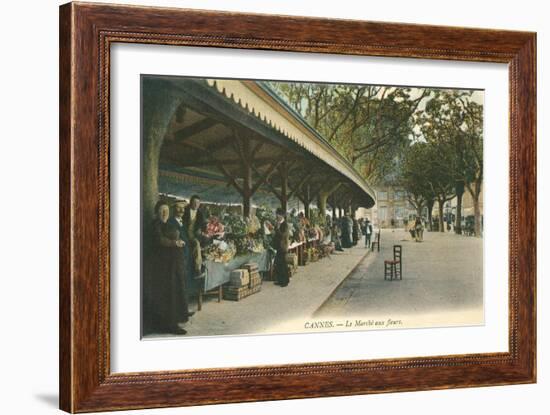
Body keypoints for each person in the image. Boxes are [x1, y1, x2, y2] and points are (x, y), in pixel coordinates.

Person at [149, 200, 193, 335]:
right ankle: (170, 325)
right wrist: (175, 243)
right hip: (162, 266)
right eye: (162, 211)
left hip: (172, 264)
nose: (164, 213)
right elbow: (160, 241)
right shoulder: (155, 225)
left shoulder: (167, 224)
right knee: (168, 294)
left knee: (175, 291)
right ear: (157, 212)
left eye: (166, 211)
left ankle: (178, 317)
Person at [183, 195, 208, 277]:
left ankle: (204, 264)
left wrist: (203, 231)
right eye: (194, 202)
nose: (196, 204)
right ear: (190, 202)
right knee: (196, 243)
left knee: (206, 241)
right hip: (185, 234)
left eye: (198, 203)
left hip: (195, 234)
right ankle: (198, 270)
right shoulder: (185, 211)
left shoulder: (200, 213)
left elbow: (204, 225)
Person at [272, 207, 290, 287]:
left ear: (282, 215)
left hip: (283, 246)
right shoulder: (278, 224)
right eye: (276, 214)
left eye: (278, 215)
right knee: (278, 263)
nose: (277, 216)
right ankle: (280, 280)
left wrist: (277, 229)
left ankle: (285, 281)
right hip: (279, 246)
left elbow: (283, 235)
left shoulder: (284, 225)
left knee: (283, 264)